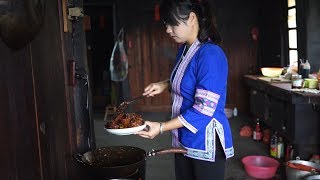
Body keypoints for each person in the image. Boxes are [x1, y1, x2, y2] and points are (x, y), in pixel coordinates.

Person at [136, 0, 234, 179]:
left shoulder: (210, 54)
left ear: (191, 18)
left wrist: (161, 126)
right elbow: (188, 78)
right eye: (166, 24)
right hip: (184, 138)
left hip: (205, 141)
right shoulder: (185, 50)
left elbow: (203, 109)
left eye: (171, 24)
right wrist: (164, 84)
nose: (167, 30)